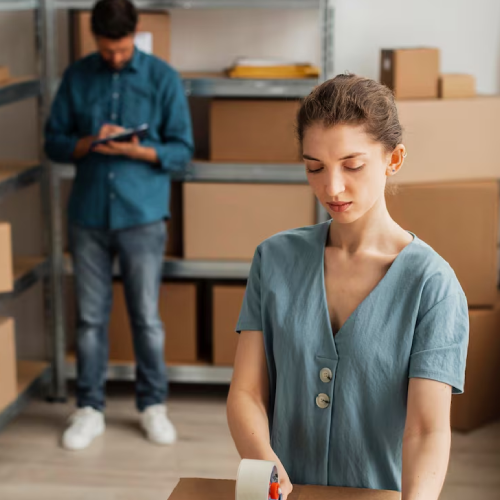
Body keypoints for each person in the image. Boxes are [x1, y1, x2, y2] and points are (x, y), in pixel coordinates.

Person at [227, 74, 469, 499]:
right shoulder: (274, 259)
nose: (331, 187)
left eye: (352, 165)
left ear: (393, 159)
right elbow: (246, 391)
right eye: (314, 167)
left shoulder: (432, 285)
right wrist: (264, 460)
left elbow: (427, 430)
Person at [44, 0, 193, 451]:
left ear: (135, 33)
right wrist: (88, 142)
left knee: (146, 318)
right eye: (106, 50)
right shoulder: (76, 76)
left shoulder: (162, 77)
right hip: (87, 214)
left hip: (142, 215)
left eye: (122, 50)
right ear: (94, 38)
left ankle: (153, 406)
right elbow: (53, 143)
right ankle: (89, 408)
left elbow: (182, 150)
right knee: (90, 320)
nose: (114, 58)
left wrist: (137, 151)